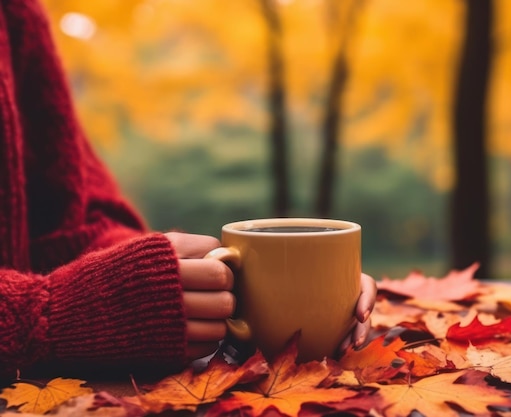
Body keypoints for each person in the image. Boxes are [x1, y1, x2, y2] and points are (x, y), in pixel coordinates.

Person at [0, 0, 376, 379]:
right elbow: (54, 306)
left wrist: (169, 282)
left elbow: (76, 217)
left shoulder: (17, 13)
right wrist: (47, 316)